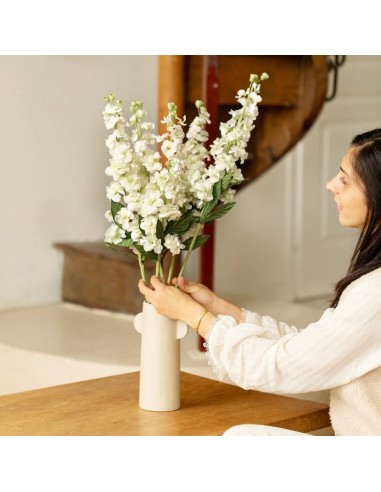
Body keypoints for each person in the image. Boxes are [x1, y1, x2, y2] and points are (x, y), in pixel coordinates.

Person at [138, 128, 381, 436]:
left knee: (242, 440)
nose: (330, 185)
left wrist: (196, 317)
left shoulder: (375, 292)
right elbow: (309, 347)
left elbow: (283, 367)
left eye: (345, 179)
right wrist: (222, 310)